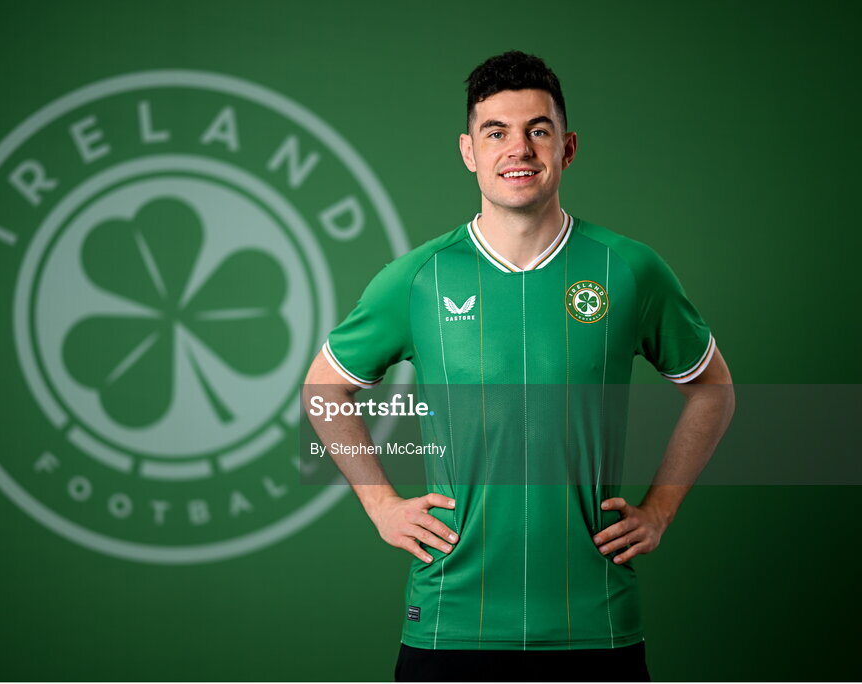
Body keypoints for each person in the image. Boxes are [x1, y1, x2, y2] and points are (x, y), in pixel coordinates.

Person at [302, 50, 735, 682]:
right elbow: (324, 388)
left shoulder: (630, 270)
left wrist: (660, 509)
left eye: (538, 130)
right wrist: (381, 505)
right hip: (451, 620)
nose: (519, 149)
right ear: (468, 151)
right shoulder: (419, 278)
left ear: (568, 147)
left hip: (596, 621)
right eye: (496, 132)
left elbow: (712, 392)